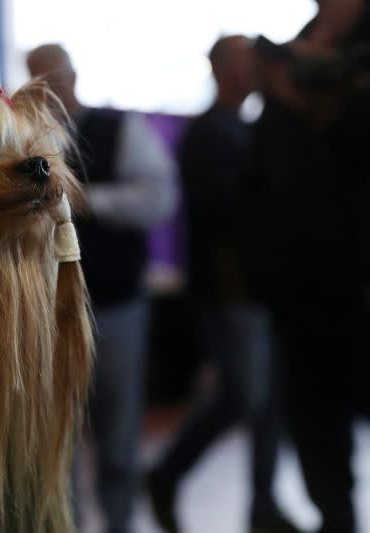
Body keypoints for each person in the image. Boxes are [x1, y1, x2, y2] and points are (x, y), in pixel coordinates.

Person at [145, 35, 300, 533]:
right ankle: (169, 474)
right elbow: (226, 214)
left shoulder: (236, 127)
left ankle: (263, 506)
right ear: (223, 70)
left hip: (252, 289)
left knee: (263, 398)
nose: (256, 70)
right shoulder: (212, 132)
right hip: (231, 291)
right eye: (246, 62)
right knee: (244, 396)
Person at [27, 44, 177, 533]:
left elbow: (160, 197)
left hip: (114, 304)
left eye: (55, 79)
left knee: (118, 429)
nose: (48, 91)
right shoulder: (24, 140)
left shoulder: (119, 130)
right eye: (38, 80)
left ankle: (119, 524)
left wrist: (90, 200)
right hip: (45, 309)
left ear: (72, 78)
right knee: (54, 437)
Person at [243, 2, 370, 532]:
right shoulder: (294, 56)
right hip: (301, 286)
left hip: (356, 276)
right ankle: (335, 517)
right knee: (316, 425)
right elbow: (262, 180)